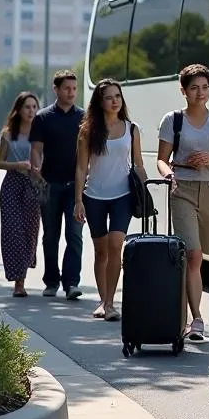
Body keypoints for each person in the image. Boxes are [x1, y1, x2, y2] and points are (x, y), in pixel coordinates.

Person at [157, 63, 209, 341]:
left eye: (204, 87)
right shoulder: (173, 120)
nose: (200, 93)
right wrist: (169, 176)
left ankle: (187, 309)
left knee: (206, 250)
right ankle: (197, 319)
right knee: (193, 255)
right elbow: (161, 160)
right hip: (183, 189)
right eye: (194, 88)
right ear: (184, 91)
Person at [75, 78, 147, 321]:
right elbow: (80, 169)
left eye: (118, 96)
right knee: (101, 250)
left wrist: (147, 190)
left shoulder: (132, 129)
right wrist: (78, 200)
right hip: (94, 195)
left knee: (117, 244)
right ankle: (102, 298)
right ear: (100, 101)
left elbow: (139, 165)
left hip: (122, 196)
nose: (115, 101)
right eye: (109, 97)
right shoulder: (87, 131)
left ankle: (110, 303)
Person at [30, 70, 85, 300]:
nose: (71, 93)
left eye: (74, 88)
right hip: (49, 185)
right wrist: (37, 174)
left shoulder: (83, 118)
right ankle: (51, 281)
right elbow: (36, 150)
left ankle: (71, 283)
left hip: (75, 187)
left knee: (74, 235)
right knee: (50, 236)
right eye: (66, 89)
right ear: (56, 89)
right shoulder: (43, 118)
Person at [0, 92, 43, 298]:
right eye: (27, 107)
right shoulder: (8, 133)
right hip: (12, 185)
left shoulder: (41, 133)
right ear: (19, 109)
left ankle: (23, 272)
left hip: (34, 184)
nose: (31, 111)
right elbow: (0, 163)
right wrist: (18, 165)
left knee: (30, 232)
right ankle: (18, 282)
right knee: (12, 231)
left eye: (34, 107)